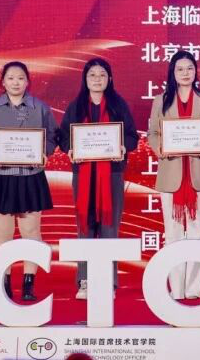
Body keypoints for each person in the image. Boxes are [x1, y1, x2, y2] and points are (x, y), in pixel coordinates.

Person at [0, 61, 58, 302]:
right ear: (3, 81)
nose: (15, 82)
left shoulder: (40, 107)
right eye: (10, 78)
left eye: (20, 78)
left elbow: (53, 136)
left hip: (30, 176)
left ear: (27, 81)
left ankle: (29, 283)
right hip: (0, 177)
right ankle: (4, 280)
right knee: (3, 232)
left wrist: (45, 152)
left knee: (31, 231)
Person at [58, 58, 139, 299]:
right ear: (85, 79)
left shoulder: (118, 105)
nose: (97, 79)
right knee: (85, 226)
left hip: (111, 174)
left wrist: (123, 146)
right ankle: (84, 281)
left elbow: (132, 137)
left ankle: (108, 283)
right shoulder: (76, 106)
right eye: (92, 74)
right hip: (83, 174)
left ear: (109, 78)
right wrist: (70, 148)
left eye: (102, 74)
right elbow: (63, 137)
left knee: (109, 227)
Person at [147, 51, 200, 300]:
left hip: (198, 171)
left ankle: (194, 288)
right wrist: (160, 149)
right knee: (173, 232)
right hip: (171, 171)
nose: (186, 73)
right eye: (180, 69)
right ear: (173, 73)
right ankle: (176, 288)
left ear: (195, 71)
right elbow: (153, 133)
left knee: (197, 231)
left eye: (190, 68)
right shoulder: (161, 100)